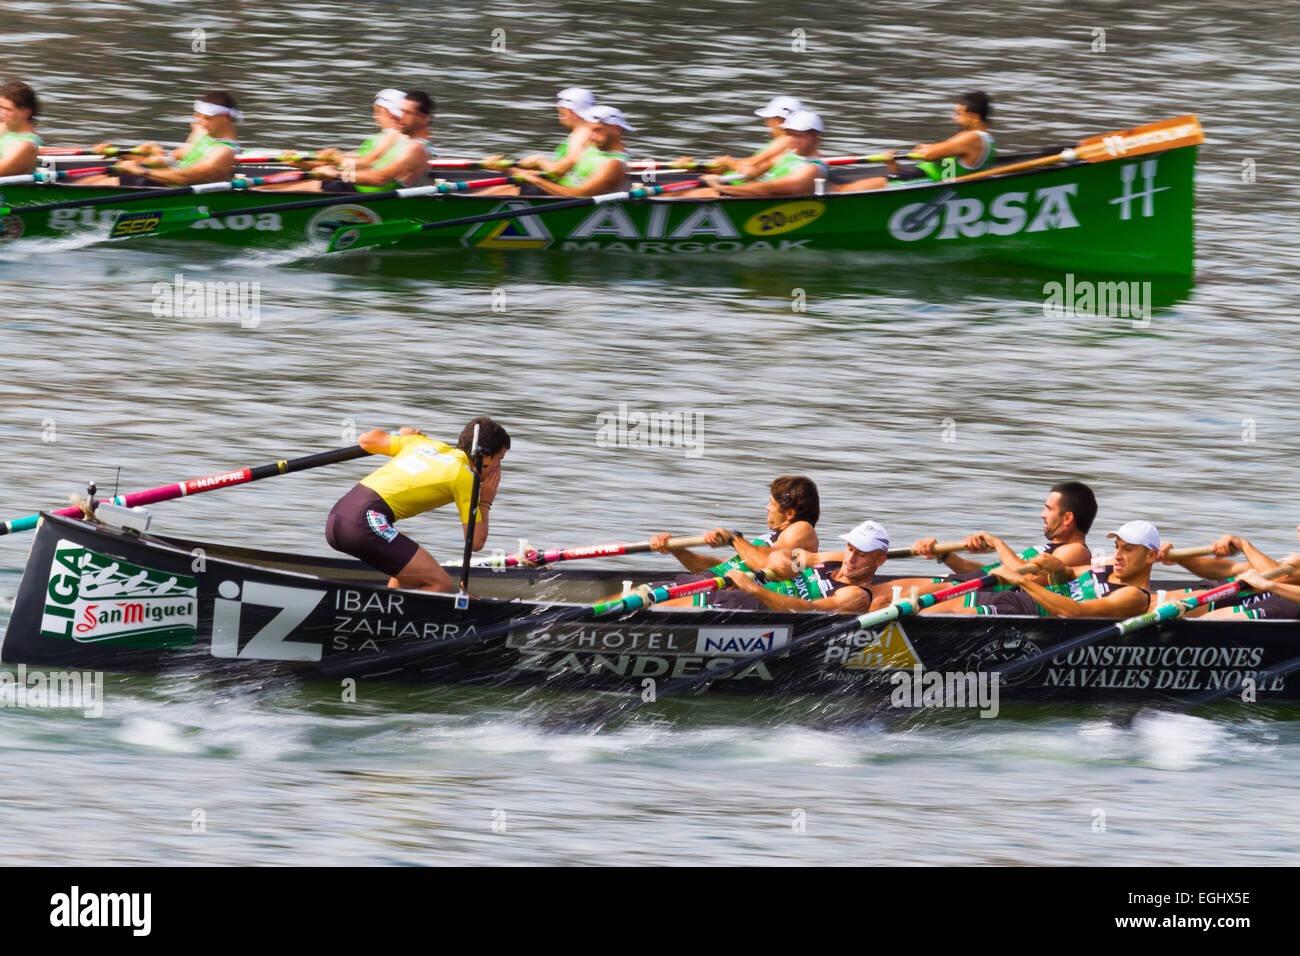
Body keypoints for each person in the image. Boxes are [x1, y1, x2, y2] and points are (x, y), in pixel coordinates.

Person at [325, 417, 509, 592]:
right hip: (364, 523)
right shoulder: (465, 477)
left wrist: (400, 435)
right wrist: (485, 501)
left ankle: (386, 617)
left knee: (409, 575)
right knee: (441, 584)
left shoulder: (422, 444)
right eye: (499, 460)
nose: (499, 469)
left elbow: (366, 440)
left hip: (337, 516)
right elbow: (476, 542)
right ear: (483, 457)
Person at [896, 480, 1097, 614]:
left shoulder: (1075, 551)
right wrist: (947, 556)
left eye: (1049, 509)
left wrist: (998, 544)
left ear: (1068, 518)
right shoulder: (1049, 547)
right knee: (887, 600)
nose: (1042, 514)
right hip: (973, 586)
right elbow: (992, 574)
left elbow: (1026, 578)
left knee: (899, 604)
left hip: (995, 600)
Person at [978, 520, 1160, 619]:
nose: (1118, 555)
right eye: (1117, 547)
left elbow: (1075, 611)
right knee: (949, 601)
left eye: (1127, 549)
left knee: (953, 612)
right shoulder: (1107, 569)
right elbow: (1068, 574)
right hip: (1015, 599)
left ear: (1151, 556)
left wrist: (1021, 580)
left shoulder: (1134, 596)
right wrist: (1057, 568)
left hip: (1027, 615)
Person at [835, 91, 996, 191]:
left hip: (926, 180)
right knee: (845, 188)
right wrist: (895, 167)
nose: (954, 118)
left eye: (959, 114)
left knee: (844, 190)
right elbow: (945, 167)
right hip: (920, 180)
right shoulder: (971, 138)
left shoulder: (974, 138)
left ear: (974, 117)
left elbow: (930, 154)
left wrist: (928, 148)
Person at [724, 520, 893, 613]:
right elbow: (795, 555)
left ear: (880, 561)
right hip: (739, 594)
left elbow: (808, 609)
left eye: (862, 555)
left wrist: (752, 589)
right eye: (849, 548)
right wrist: (783, 563)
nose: (850, 559)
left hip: (760, 614)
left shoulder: (856, 596)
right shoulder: (835, 559)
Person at [257, 89, 407, 191]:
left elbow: (367, 161)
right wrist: (304, 163)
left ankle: (244, 197)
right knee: (282, 179)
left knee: (277, 184)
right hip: (352, 181)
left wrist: (335, 159)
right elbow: (353, 159)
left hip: (360, 188)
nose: (375, 118)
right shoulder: (383, 137)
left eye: (377, 112)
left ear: (387, 111)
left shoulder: (393, 136)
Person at [81, 91, 242, 186]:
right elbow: (171, 161)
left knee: (103, 183)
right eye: (197, 116)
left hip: (172, 190)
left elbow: (187, 177)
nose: (198, 122)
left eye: (206, 118)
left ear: (225, 117)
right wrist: (124, 153)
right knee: (92, 180)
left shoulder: (224, 153)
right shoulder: (200, 132)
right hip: (158, 179)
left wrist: (141, 170)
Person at [482, 104, 632, 197]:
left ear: (616, 129)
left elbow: (581, 196)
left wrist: (532, 178)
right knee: (506, 186)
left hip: (570, 206)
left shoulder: (613, 164)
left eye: (597, 130)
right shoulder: (592, 148)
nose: (591, 137)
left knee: (511, 191)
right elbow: (557, 177)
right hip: (556, 194)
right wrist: (507, 169)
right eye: (589, 130)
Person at [1158, 527, 1300, 620]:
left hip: (1271, 611)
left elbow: (1276, 579)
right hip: (1229, 597)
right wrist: (1182, 560)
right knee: (1153, 603)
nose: (1298, 528)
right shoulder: (1291, 562)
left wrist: (1244, 545)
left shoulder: (1295, 563)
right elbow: (1228, 569)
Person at [308, 90, 435, 192]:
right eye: (401, 111)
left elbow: (380, 178)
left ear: (425, 118)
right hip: (360, 188)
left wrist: (337, 174)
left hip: (370, 197)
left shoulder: (415, 149)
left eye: (408, 113)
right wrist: (329, 161)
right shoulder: (402, 138)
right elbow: (366, 163)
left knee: (292, 185)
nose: (400, 116)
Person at [682, 110, 829, 199]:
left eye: (799, 136)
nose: (792, 141)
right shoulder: (787, 156)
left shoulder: (812, 170)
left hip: (769, 207)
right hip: (754, 197)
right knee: (691, 191)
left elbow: (768, 189)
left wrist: (721, 188)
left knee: (702, 194)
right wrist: (700, 168)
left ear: (816, 138)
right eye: (790, 135)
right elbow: (750, 173)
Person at [673, 95, 802, 177]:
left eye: (770, 118)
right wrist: (695, 167)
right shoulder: (781, 144)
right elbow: (743, 168)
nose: (767, 123)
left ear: (780, 121)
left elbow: (750, 167)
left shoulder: (786, 140)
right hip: (738, 183)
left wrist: (729, 162)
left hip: (742, 192)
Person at [484, 87, 596, 179]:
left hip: (564, 193)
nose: (559, 115)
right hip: (563, 185)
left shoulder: (582, 134)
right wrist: (506, 169)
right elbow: (556, 174)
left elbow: (558, 171)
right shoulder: (588, 132)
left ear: (568, 111)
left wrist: (540, 161)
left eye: (560, 111)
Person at [0, 80, 42, 176]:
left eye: (7, 109)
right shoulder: (5, 126)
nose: (1, 113)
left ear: (26, 112)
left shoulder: (25, 146)